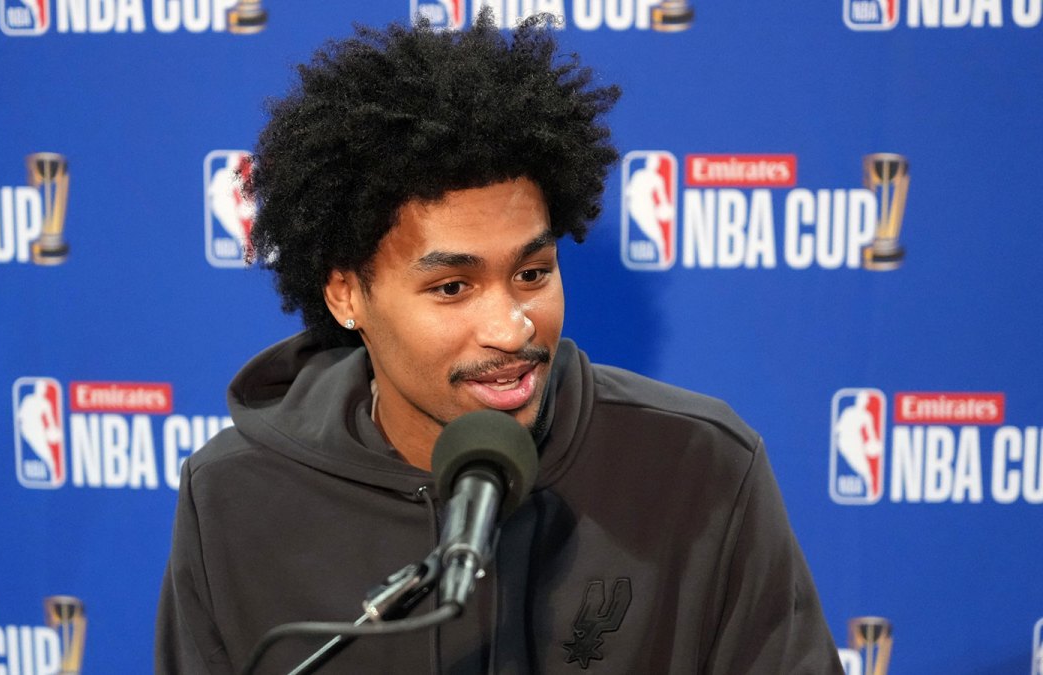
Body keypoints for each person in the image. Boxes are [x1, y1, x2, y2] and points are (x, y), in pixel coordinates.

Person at [156, 9, 844, 674]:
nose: (512, 326)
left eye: (532, 273)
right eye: (452, 287)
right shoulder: (233, 497)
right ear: (346, 295)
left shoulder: (700, 468)